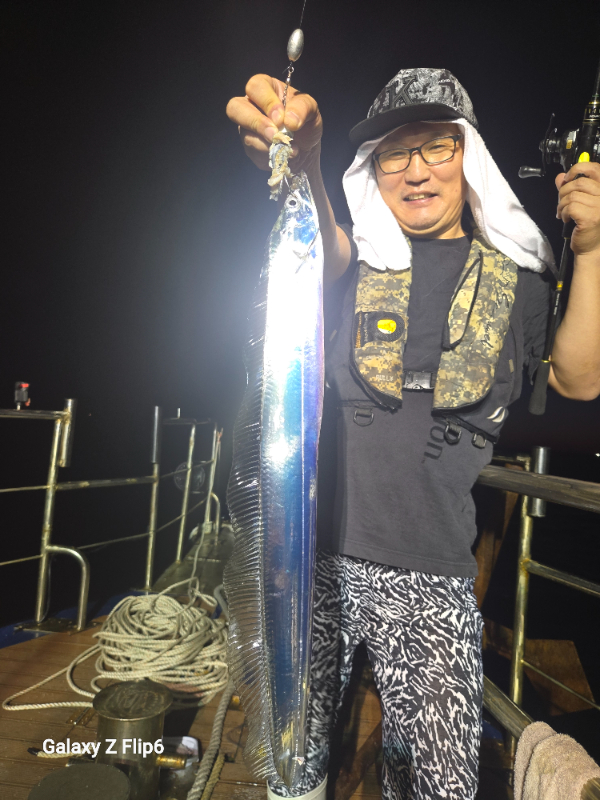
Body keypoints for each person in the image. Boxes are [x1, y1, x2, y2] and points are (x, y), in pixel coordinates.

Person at [226, 68, 600, 800]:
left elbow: (579, 379)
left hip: (431, 573)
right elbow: (320, 242)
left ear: (470, 157)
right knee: (292, 760)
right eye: (395, 153)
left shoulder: (516, 278)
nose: (416, 170)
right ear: (373, 170)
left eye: (436, 147)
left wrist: (590, 251)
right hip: (312, 558)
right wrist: (304, 161)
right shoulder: (353, 256)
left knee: (439, 784)